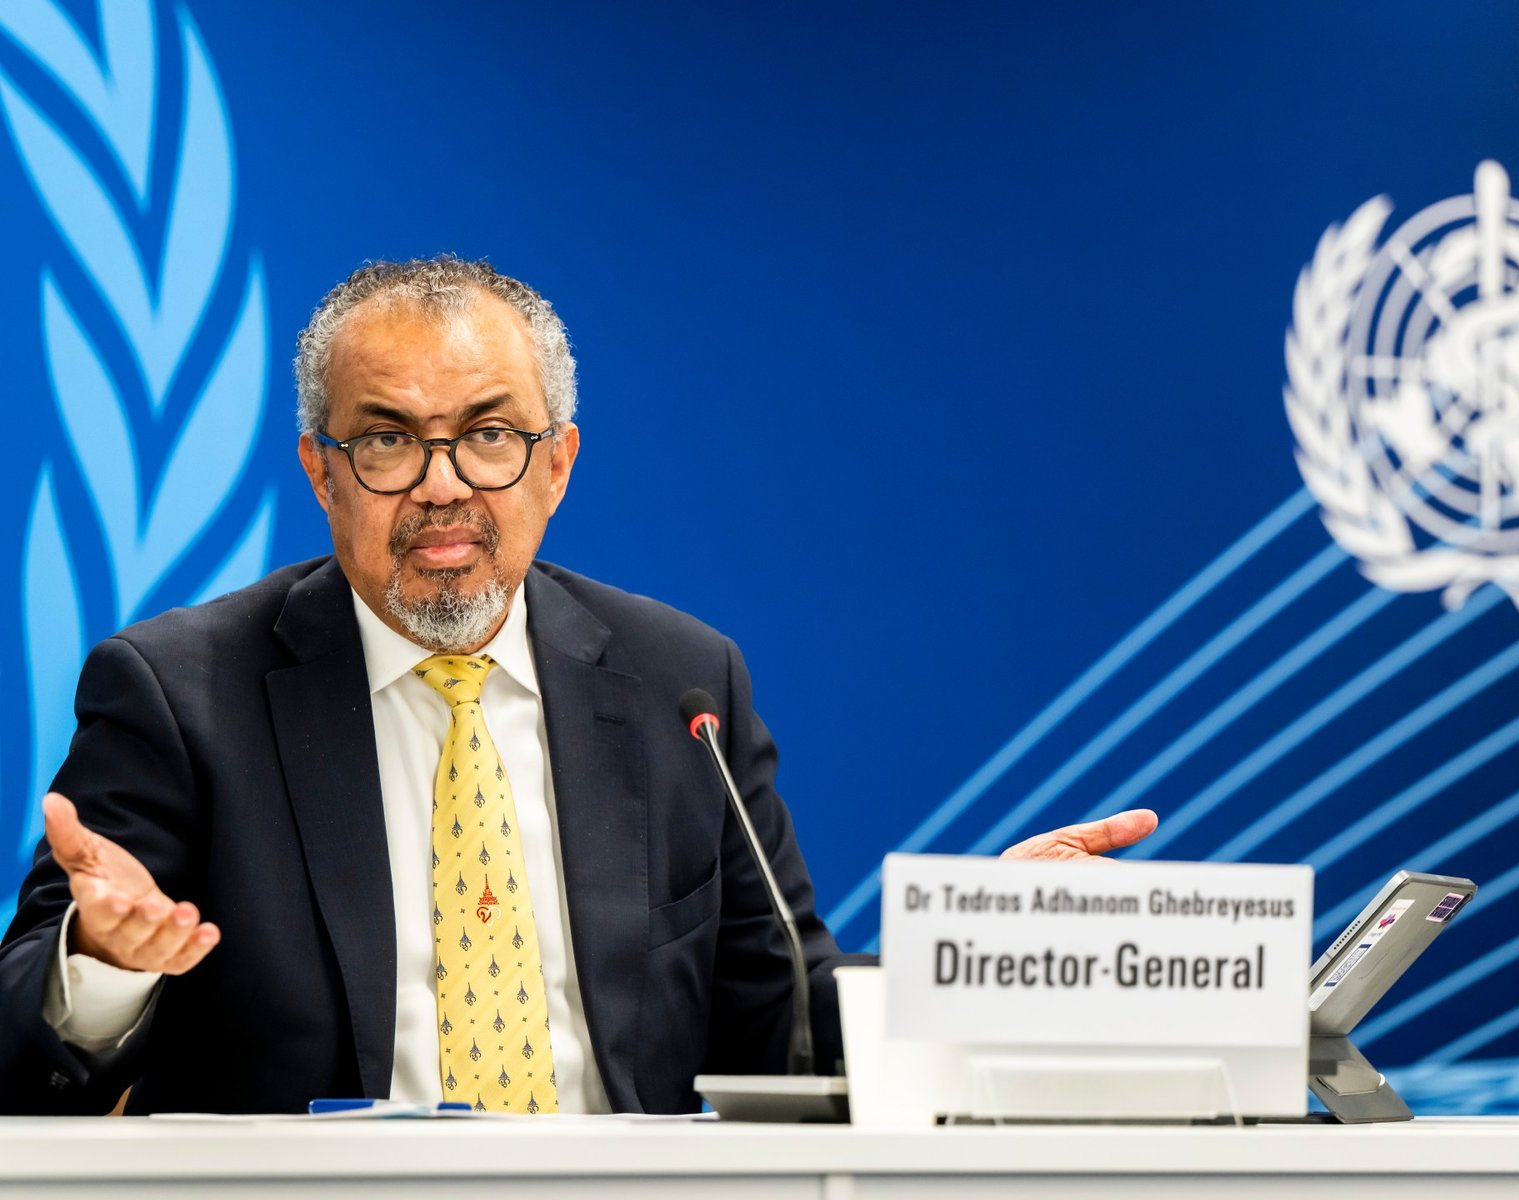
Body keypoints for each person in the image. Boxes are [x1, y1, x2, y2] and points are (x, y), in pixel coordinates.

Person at [0, 257, 1157, 1115]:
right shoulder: (179, 691)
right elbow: (18, 1041)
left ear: (557, 464)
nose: (443, 485)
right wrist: (100, 966)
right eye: (389, 441)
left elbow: (784, 1020)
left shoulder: (679, 682)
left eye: (490, 436)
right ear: (321, 471)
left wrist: (973, 952)